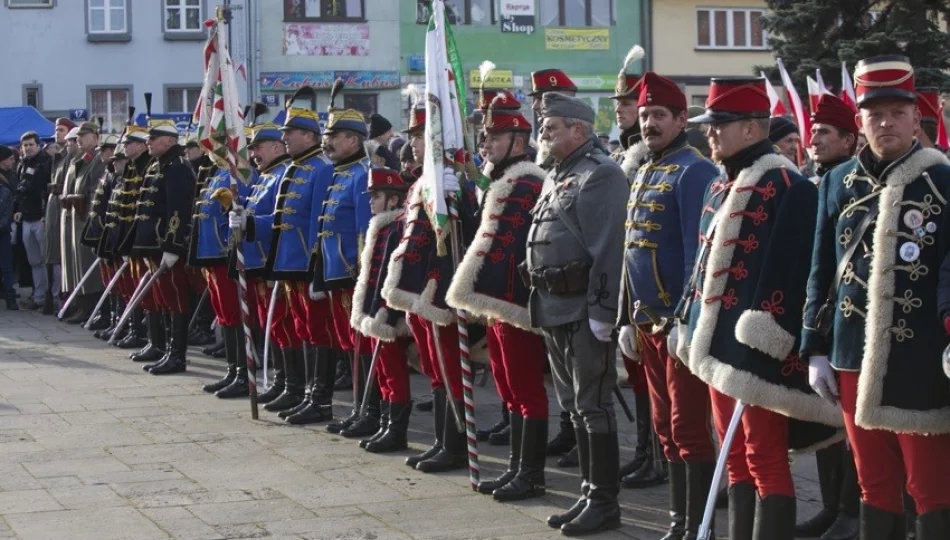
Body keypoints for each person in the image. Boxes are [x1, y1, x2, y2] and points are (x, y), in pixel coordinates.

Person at [675, 77, 843, 540]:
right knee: (733, 458)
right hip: (713, 346)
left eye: (719, 125)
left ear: (752, 129)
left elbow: (795, 274)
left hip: (756, 351)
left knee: (764, 457)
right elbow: (703, 266)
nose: (710, 134)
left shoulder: (788, 184)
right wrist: (685, 322)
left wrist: (766, 338)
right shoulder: (719, 185)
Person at [801, 55, 950, 540]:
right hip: (849, 355)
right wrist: (814, 347)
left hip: (920, 357)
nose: (886, 123)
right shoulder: (835, 183)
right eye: (875, 114)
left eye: (897, 113)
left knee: (930, 485)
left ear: (915, 119)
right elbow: (820, 268)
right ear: (861, 121)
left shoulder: (944, 180)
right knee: (873, 482)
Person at [615, 71, 720, 539]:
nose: (649, 123)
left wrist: (685, 317)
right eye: (644, 115)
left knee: (689, 426)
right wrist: (624, 317)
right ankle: (679, 522)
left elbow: (700, 254)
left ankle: (700, 525)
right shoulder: (645, 169)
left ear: (682, 118)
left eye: (659, 115)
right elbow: (631, 251)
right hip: (646, 323)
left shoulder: (695, 169)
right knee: (664, 426)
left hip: (679, 324)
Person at [526, 93, 627, 536]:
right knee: (573, 406)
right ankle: (587, 492)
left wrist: (604, 313)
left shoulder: (600, 174)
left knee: (593, 404)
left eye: (550, 127)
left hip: (585, 307)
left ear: (579, 130)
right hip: (552, 304)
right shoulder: (557, 174)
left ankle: (604, 502)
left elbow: (608, 249)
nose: (542, 133)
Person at [447, 90, 549, 501]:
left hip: (517, 302)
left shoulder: (529, 183)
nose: (485, 144)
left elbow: (516, 248)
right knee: (507, 388)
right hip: (496, 305)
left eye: (494, 136)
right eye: (485, 136)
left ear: (519, 143)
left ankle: (531, 474)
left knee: (525, 389)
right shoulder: (504, 181)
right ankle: (515, 468)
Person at [382, 85, 480, 475]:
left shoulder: (456, 181)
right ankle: (442, 440)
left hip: (440, 292)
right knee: (435, 370)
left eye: (419, 137)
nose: (413, 145)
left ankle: (454, 445)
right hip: (419, 291)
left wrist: (460, 199)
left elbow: (469, 231)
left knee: (450, 370)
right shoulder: (421, 181)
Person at [230, 86, 337, 423]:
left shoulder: (319, 168)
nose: (285, 137)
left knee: (315, 332)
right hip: (286, 261)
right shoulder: (293, 167)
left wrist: (317, 266)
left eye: (290, 133)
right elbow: (280, 222)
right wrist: (248, 223)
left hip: (305, 263)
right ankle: (293, 387)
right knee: (292, 327)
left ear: (308, 135)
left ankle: (318, 398)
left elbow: (317, 221)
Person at [793, 93, 862, 540]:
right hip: (821, 317)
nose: (813, 139)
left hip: (851, 319)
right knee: (826, 423)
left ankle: (853, 514)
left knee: (854, 433)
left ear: (850, 140)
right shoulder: (815, 181)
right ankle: (833, 506)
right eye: (813, 131)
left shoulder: (850, 184)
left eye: (823, 132)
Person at [608, 46, 666, 489]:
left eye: (630, 103)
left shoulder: (652, 156)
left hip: (655, 288)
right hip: (626, 285)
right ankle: (647, 450)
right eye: (622, 105)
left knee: (661, 387)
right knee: (638, 377)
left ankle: (662, 458)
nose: (624, 111)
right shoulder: (623, 154)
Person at [311, 90, 374, 436]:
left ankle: (369, 410)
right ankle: (358, 409)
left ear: (353, 139)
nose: (328, 142)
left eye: (334, 137)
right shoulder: (339, 173)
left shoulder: (361, 174)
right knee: (348, 344)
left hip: (352, 274)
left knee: (361, 344)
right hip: (335, 273)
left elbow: (366, 229)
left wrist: (362, 272)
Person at [120, 96, 196, 375]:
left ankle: (177, 355)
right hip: (152, 244)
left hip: (167, 245)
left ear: (169, 141)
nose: (149, 142)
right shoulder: (158, 165)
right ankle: (162, 347)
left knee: (176, 299)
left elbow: (178, 209)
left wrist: (173, 245)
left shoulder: (177, 167)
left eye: (154, 138)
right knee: (162, 297)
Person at [230, 104, 297, 406]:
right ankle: (284, 381)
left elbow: (282, 219)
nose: (254, 154)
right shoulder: (265, 175)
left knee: (283, 324)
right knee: (272, 325)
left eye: (258, 148)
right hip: (258, 261)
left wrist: (250, 221)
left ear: (275, 146)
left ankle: (292, 383)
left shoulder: (282, 173)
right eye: (252, 148)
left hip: (273, 259)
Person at [350, 167, 413, 453]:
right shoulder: (382, 225)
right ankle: (387, 423)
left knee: (394, 372)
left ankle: (396, 430)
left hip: (388, 312)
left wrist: (389, 310)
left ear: (392, 199)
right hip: (374, 308)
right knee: (385, 372)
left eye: (376, 196)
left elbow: (397, 273)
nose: (371, 201)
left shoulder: (399, 226)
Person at [60, 121, 107, 324]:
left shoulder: (98, 161)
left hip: (85, 220)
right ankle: (80, 304)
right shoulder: (77, 160)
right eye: (78, 135)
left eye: (85, 135)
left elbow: (95, 192)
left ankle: (89, 306)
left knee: (87, 265)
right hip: (73, 219)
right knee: (74, 264)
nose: (79, 138)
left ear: (96, 138)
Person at [78, 133, 119, 333]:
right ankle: (109, 317)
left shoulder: (114, 173)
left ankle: (119, 320)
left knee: (118, 283)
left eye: (104, 150)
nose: (101, 153)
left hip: (111, 234)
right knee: (107, 280)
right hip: (102, 233)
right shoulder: (108, 173)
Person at [14, 131, 52, 311]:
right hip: (27, 218)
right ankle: (38, 297)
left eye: (31, 144)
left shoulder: (46, 162)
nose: (28, 148)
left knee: (47, 260)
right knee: (34, 261)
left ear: (38, 145)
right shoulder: (22, 164)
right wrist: (20, 210)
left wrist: (46, 213)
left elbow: (47, 190)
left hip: (41, 217)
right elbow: (22, 190)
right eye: (25, 145)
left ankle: (51, 297)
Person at [45, 120, 77, 314]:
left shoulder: (70, 157)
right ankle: (56, 296)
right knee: (51, 254)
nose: (57, 133)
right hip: (53, 206)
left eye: (61, 130)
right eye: (56, 130)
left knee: (61, 254)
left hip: (62, 206)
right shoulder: (59, 156)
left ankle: (63, 297)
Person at [529, 68, 578, 171]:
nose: (534, 106)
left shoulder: (580, 139)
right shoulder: (542, 137)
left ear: (562, 100)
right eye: (535, 99)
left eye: (540, 99)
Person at [0, 145, 18, 310]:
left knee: (6, 266)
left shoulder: (9, 179)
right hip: (4, 229)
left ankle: (10, 297)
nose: (12, 161)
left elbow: (8, 210)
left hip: (3, 231)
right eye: (9, 158)